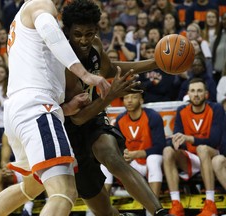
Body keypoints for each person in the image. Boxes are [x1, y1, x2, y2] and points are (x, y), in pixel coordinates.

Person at [0, 0, 111, 215]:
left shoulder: (20, 18)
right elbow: (50, 31)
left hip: (21, 110)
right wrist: (85, 75)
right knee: (64, 191)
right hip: (36, 110)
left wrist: (65, 108)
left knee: (30, 187)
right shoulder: (40, 4)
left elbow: (39, 67)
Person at [62, 1, 170, 215]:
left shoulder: (95, 45)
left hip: (94, 118)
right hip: (69, 129)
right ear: (67, 32)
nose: (84, 40)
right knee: (104, 211)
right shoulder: (63, 62)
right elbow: (77, 118)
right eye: (77, 34)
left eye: (89, 33)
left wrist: (156, 63)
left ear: (96, 30)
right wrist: (110, 95)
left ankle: (158, 212)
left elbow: (110, 69)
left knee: (111, 156)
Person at [163, 78, 225, 216]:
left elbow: (214, 140)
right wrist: (176, 142)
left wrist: (189, 138)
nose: (196, 94)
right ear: (188, 94)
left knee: (202, 148)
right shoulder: (181, 111)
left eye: (199, 91)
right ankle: (176, 204)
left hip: (212, 154)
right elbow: (178, 137)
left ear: (206, 94)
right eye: (193, 91)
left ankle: (210, 203)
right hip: (191, 158)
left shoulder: (216, 109)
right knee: (167, 151)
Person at [115, 90, 166, 216]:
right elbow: (117, 145)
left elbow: (160, 146)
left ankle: (152, 211)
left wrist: (135, 154)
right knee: (105, 165)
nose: (130, 100)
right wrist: (124, 154)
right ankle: (98, 211)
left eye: (134, 97)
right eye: (126, 97)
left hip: (150, 164)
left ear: (142, 100)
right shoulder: (120, 119)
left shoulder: (153, 116)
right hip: (131, 165)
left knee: (153, 159)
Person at [0, 109, 34, 216]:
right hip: (18, 169)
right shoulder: (7, 134)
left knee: (40, 170)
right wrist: (6, 168)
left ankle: (28, 207)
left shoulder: (33, 128)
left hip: (35, 167)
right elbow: (4, 159)